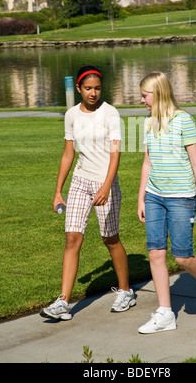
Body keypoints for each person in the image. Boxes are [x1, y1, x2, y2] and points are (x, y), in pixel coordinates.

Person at [40, 66, 135, 321]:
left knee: (110, 239)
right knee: (72, 239)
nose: (93, 93)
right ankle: (63, 302)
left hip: (106, 183)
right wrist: (58, 190)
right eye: (88, 88)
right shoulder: (71, 115)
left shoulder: (110, 113)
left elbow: (116, 153)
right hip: (80, 181)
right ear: (79, 88)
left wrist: (106, 186)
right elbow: (68, 153)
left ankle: (126, 291)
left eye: (97, 88)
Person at [137, 72, 196, 334]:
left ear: (158, 93)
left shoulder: (184, 120)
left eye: (145, 95)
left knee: (183, 256)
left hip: (181, 198)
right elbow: (147, 162)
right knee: (155, 252)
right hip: (154, 196)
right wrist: (141, 196)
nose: (141, 100)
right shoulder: (147, 122)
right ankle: (165, 313)